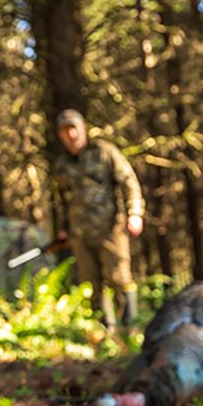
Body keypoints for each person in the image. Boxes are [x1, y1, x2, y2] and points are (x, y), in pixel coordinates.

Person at [51, 109, 144, 330]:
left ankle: (130, 329)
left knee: (119, 277)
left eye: (74, 128)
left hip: (110, 227)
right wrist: (64, 229)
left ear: (83, 129)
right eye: (65, 131)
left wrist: (135, 213)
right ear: (60, 135)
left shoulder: (103, 152)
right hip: (79, 233)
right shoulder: (62, 165)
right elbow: (62, 201)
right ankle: (105, 333)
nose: (71, 135)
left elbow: (129, 181)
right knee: (90, 284)